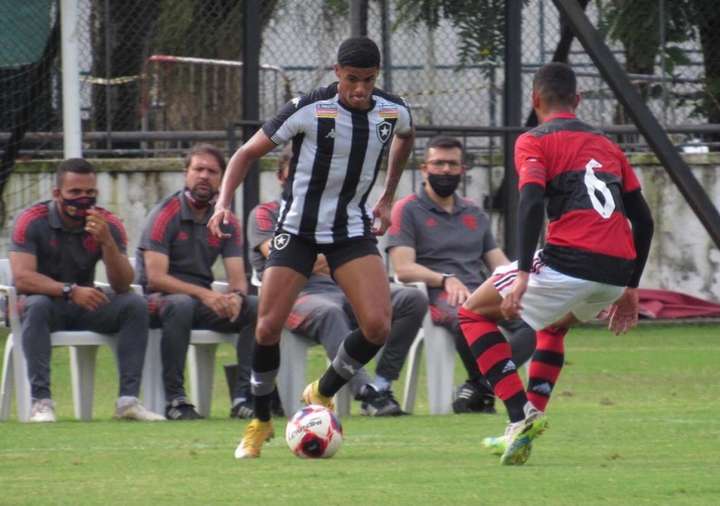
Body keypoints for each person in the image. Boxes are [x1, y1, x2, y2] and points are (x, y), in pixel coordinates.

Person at [208, 36, 415, 459]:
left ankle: (321, 392)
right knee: (267, 327)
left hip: (351, 232)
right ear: (338, 73)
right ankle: (260, 421)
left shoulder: (392, 111)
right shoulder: (309, 109)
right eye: (353, 79)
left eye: (369, 81)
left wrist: (389, 196)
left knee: (377, 325)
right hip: (297, 232)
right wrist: (223, 202)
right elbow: (246, 154)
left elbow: (406, 138)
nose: (360, 89)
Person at [457, 62, 654, 465]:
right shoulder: (609, 146)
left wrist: (524, 274)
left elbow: (530, 202)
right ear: (577, 101)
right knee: (554, 325)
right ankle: (525, 435)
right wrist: (631, 287)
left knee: (472, 314)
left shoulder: (534, 140)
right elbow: (645, 220)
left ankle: (518, 417)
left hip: (570, 261)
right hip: (616, 273)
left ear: (535, 100)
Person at [248, 145, 427, 416]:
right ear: (281, 177)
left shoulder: (337, 211)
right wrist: (336, 256)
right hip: (298, 297)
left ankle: (382, 383)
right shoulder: (265, 213)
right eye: (295, 173)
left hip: (342, 289)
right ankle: (365, 392)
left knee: (410, 299)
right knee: (329, 312)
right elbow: (281, 258)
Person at [387, 135, 536, 414]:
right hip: (436, 295)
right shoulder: (406, 209)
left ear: (462, 169)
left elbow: (500, 265)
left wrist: (524, 284)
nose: (445, 170)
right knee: (465, 317)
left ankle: (482, 384)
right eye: (438, 163)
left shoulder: (474, 212)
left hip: (480, 293)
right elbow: (403, 269)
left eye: (452, 164)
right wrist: (444, 278)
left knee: (534, 320)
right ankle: (486, 385)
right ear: (424, 168)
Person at [8, 158, 164, 422]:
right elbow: (22, 278)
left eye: (90, 193)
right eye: (75, 193)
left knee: (134, 304)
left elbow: (122, 284)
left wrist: (107, 242)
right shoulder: (32, 221)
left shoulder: (108, 223)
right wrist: (69, 290)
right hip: (45, 304)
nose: (83, 199)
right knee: (37, 305)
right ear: (57, 194)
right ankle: (42, 402)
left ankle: (128, 401)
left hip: (85, 305)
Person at [134, 144, 259, 420]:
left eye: (212, 171)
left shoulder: (227, 220)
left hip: (199, 301)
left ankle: (243, 397)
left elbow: (238, 279)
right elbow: (156, 278)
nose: (204, 176)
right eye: (198, 169)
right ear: (185, 174)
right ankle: (176, 400)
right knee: (180, 305)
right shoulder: (165, 213)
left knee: (256, 306)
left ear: (223, 179)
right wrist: (207, 295)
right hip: (157, 301)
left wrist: (235, 298)